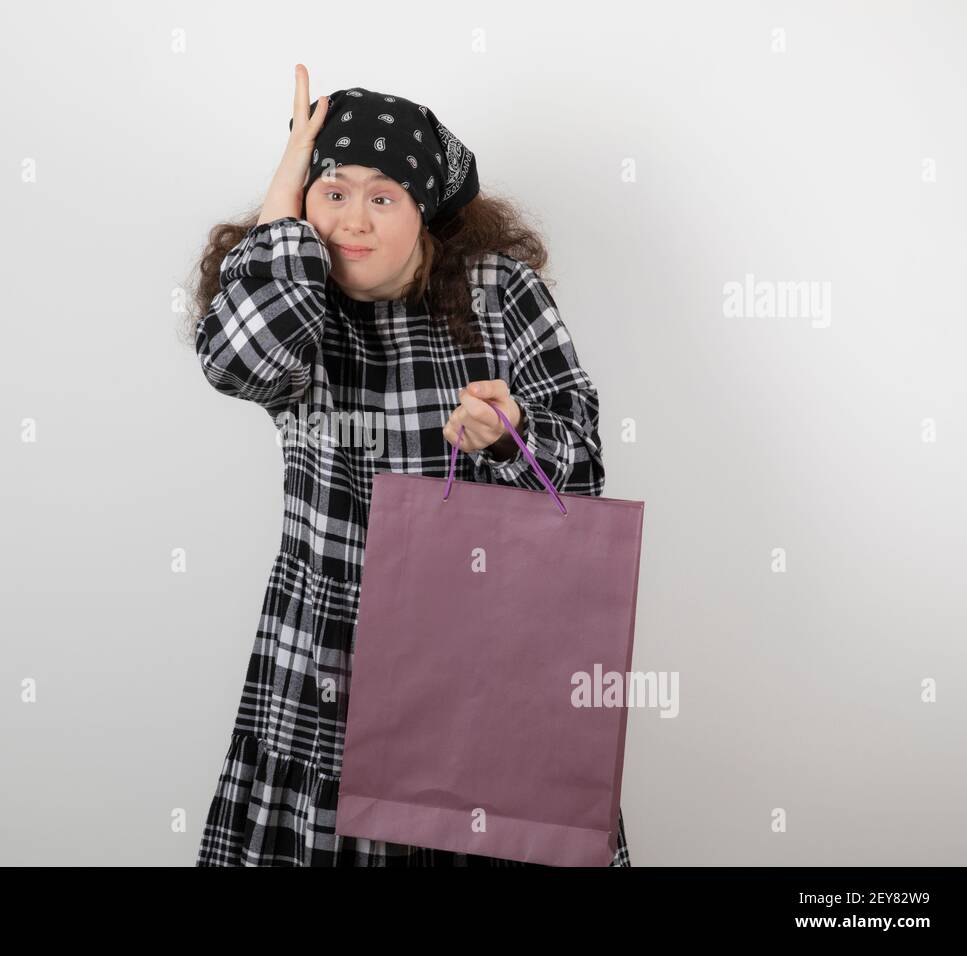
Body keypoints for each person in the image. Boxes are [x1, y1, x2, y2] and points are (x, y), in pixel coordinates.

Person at [186, 65, 629, 866]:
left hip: (488, 662)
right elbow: (236, 362)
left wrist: (511, 432)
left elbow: (586, 465)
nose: (353, 220)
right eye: (334, 192)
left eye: (383, 197)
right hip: (330, 668)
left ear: (424, 213)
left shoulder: (500, 292)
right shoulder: (298, 301)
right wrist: (285, 197)